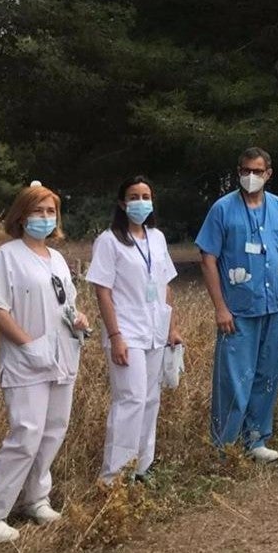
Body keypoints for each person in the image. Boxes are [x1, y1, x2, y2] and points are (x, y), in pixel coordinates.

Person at [0, 182, 90, 543]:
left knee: (53, 430)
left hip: (62, 355)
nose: (45, 218)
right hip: (27, 360)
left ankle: (35, 499)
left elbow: (63, 303)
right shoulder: (8, 255)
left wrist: (79, 317)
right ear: (21, 216)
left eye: (50, 211)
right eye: (38, 211)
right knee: (25, 435)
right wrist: (27, 344)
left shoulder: (56, 259)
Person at [197, 147, 278, 463]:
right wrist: (220, 307)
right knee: (233, 379)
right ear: (238, 171)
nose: (251, 177)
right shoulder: (222, 209)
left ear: (268, 174)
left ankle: (256, 439)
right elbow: (208, 258)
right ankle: (225, 447)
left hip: (271, 307)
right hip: (237, 309)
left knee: (266, 374)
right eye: (246, 170)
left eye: (258, 171)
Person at [87, 176, 182, 483]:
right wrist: (115, 336)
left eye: (146, 195)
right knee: (130, 400)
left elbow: (165, 284)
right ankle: (114, 476)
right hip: (126, 331)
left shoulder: (156, 238)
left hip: (155, 330)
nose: (141, 202)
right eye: (134, 196)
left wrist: (172, 328)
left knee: (151, 399)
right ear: (121, 203)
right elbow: (102, 291)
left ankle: (142, 467)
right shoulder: (109, 241)